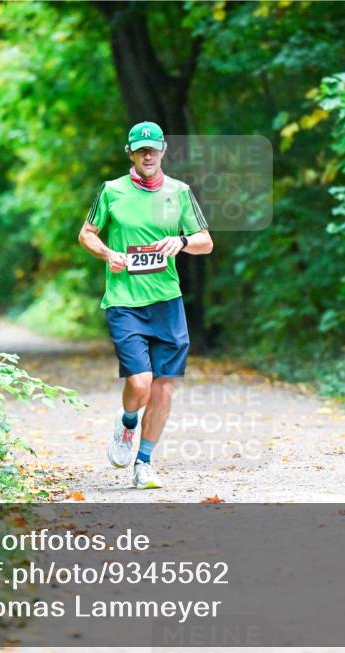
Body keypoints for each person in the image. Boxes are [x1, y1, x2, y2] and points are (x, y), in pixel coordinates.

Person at [77, 121, 213, 489]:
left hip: (167, 301)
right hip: (125, 301)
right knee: (140, 384)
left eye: (153, 149)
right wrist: (108, 254)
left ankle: (145, 461)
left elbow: (206, 240)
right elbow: (86, 234)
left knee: (163, 386)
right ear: (131, 154)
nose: (147, 155)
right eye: (141, 150)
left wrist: (181, 241)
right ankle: (127, 423)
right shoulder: (112, 192)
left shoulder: (179, 192)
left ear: (163, 150)